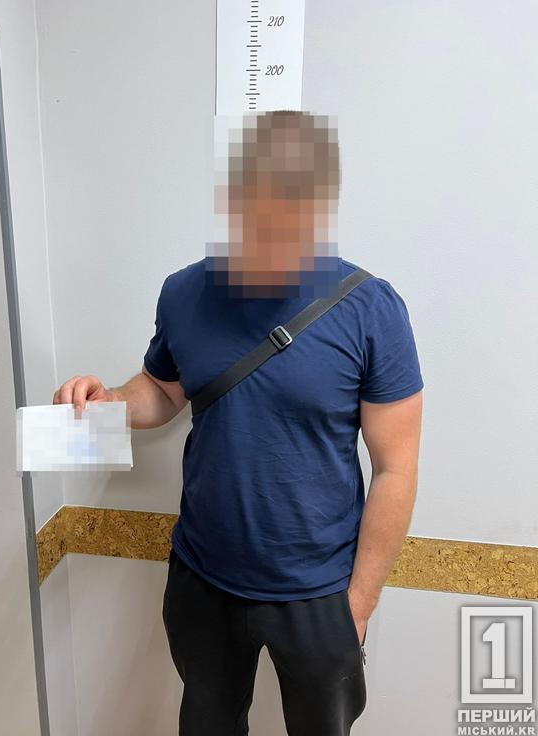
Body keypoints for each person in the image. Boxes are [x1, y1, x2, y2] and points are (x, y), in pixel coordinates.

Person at [53, 110, 424, 736]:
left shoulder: (371, 309)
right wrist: (106, 398)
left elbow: (396, 468)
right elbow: (164, 391)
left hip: (318, 591)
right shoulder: (184, 292)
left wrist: (357, 605)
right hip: (203, 576)